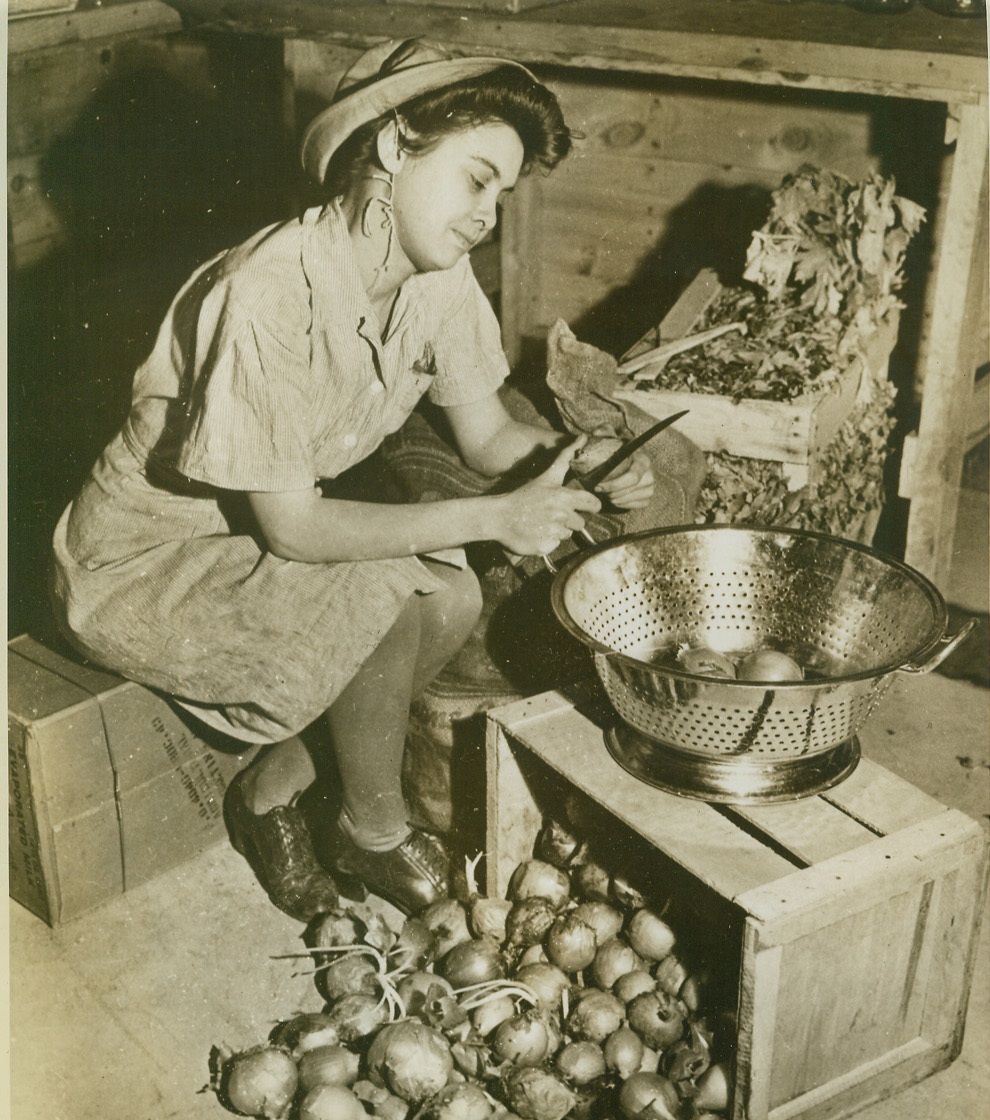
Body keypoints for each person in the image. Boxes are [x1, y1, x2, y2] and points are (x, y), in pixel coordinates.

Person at [50, 37, 655, 922]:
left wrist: (586, 463)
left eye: (505, 193)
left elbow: (488, 431)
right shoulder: (270, 290)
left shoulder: (436, 278)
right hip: (143, 561)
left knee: (444, 595)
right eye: (477, 178)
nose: (488, 213)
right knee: (397, 579)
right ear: (390, 146)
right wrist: (494, 516)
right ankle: (373, 830)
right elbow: (295, 529)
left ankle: (271, 791)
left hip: (251, 538)